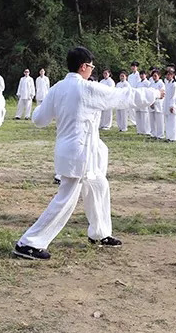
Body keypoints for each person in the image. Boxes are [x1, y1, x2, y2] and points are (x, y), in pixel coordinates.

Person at [13, 47, 163, 260]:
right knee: (65, 200)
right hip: (79, 154)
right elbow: (122, 96)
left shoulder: (57, 88)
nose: (92, 70)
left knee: (99, 186)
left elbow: (39, 119)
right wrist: (154, 93)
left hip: (77, 152)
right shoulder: (87, 89)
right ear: (83, 66)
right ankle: (28, 243)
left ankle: (100, 233)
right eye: (91, 66)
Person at [164, 67, 176, 142]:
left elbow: (174, 96)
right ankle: (168, 137)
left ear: (172, 75)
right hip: (166, 105)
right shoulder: (167, 84)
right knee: (168, 122)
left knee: (173, 122)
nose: (167, 76)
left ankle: (173, 138)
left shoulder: (174, 84)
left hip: (173, 106)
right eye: (167, 74)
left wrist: (172, 106)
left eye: (169, 74)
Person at [148, 69, 166, 139]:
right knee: (152, 120)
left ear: (159, 76)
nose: (154, 77)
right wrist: (150, 102)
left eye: (155, 76)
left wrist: (154, 100)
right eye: (153, 76)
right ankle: (153, 134)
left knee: (159, 120)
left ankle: (160, 135)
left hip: (158, 103)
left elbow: (162, 94)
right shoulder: (151, 84)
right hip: (151, 103)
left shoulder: (161, 84)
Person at [134, 71, 151, 137]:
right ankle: (139, 130)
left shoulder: (148, 83)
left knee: (145, 116)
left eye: (143, 74)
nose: (141, 76)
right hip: (138, 101)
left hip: (144, 101)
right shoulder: (138, 83)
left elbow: (149, 92)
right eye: (140, 74)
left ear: (146, 75)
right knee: (138, 115)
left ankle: (146, 131)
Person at [127, 62, 141, 127]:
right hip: (131, 92)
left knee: (137, 107)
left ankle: (138, 121)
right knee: (131, 108)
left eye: (134, 66)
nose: (133, 67)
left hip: (137, 92)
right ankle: (133, 121)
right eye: (132, 66)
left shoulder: (139, 75)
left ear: (137, 67)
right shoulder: (130, 76)